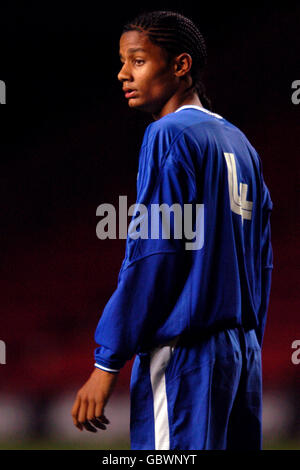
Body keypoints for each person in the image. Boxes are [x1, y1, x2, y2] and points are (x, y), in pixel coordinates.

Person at [71, 10, 273, 450]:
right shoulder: (243, 145)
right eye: (123, 61)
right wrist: (247, 342)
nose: (123, 73)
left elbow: (156, 254)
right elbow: (262, 258)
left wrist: (106, 364)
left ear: (181, 66)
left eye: (138, 61)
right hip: (242, 356)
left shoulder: (168, 134)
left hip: (187, 355)